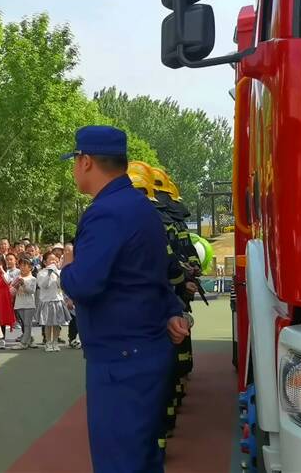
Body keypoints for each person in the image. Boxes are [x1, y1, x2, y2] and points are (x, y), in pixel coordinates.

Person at [59, 125, 190, 473]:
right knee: (143, 457)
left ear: (85, 161)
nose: (73, 169)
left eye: (74, 160)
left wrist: (67, 269)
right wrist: (172, 310)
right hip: (143, 350)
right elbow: (149, 276)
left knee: (119, 461)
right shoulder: (139, 205)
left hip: (120, 358)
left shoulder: (105, 212)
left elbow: (85, 284)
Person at [36, 251, 69, 352]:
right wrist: (49, 273)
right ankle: (48, 342)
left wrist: (57, 274)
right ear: (45, 262)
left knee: (56, 324)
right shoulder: (41, 273)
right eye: (51, 260)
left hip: (57, 300)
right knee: (48, 324)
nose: (53, 261)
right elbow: (43, 285)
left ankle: (55, 342)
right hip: (46, 301)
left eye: (55, 259)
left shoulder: (58, 272)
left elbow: (61, 286)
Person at [11, 257, 37, 350]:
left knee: (27, 324)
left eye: (25, 265)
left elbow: (31, 291)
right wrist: (15, 286)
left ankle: (23, 342)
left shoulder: (32, 279)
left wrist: (23, 284)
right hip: (19, 303)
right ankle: (29, 340)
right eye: (21, 265)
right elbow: (12, 292)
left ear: (30, 267)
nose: (22, 267)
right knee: (24, 324)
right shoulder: (17, 277)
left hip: (29, 304)